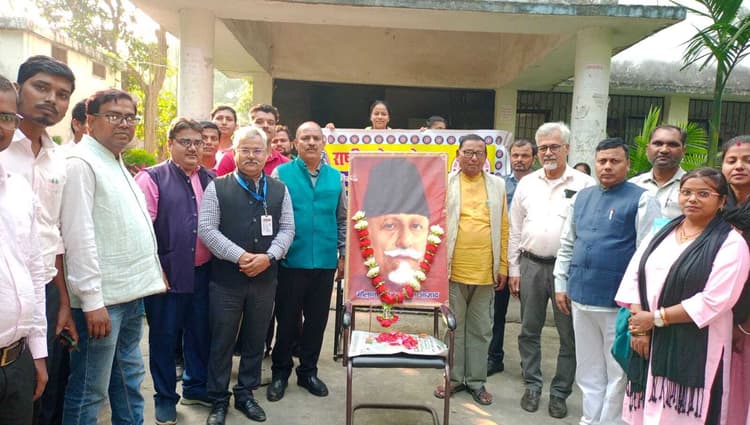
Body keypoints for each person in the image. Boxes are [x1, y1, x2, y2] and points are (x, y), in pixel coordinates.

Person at [60, 89, 167, 423]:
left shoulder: (114, 160)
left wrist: (153, 270)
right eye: (114, 116)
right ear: (90, 122)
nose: (124, 123)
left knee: (128, 378)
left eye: (130, 117)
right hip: (102, 302)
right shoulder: (81, 163)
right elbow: (78, 236)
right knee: (90, 390)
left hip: (130, 293)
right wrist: (92, 301)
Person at [615, 167, 750, 425]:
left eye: (703, 194)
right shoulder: (661, 232)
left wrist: (655, 319)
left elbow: (714, 300)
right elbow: (634, 275)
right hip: (649, 337)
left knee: (684, 415)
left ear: (722, 201)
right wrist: (640, 329)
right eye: (686, 192)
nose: (692, 199)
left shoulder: (731, 243)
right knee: (648, 410)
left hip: (698, 343)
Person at [554, 138, 659, 425]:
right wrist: (561, 284)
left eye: (615, 161)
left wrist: (637, 303)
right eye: (602, 161)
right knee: (588, 367)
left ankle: (610, 421)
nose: (607, 166)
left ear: (627, 164)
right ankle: (590, 418)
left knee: (616, 370)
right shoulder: (581, 198)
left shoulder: (642, 199)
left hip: (618, 302)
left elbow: (646, 255)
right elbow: (567, 243)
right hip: (580, 295)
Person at [198, 126, 294, 425]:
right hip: (226, 280)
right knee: (222, 339)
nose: (251, 156)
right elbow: (207, 230)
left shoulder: (279, 189)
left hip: (265, 278)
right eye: (245, 150)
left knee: (256, 338)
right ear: (234, 152)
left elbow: (287, 229)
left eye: (257, 150)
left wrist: (269, 257)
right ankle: (218, 399)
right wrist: (240, 256)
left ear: (267, 154)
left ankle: (245, 393)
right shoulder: (217, 187)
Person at [0, 55, 77, 425]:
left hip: (40, 293)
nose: (52, 99)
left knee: (40, 392)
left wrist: (63, 300)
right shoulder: (4, 148)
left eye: (62, 95)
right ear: (18, 89)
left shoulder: (57, 159)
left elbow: (50, 236)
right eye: (42, 87)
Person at [508, 121, 595, 418]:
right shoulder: (527, 183)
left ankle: (559, 393)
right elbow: (515, 229)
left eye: (554, 147)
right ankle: (532, 385)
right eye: (543, 147)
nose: (548, 152)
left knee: (568, 335)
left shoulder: (584, 184)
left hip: (567, 271)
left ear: (567, 148)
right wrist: (514, 269)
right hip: (531, 265)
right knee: (528, 330)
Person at [135, 118, 215, 424]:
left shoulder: (210, 179)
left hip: (204, 272)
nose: (193, 148)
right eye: (185, 142)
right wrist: (156, 270)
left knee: (200, 333)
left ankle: (195, 387)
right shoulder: (152, 178)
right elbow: (143, 232)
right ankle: (165, 397)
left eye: (198, 142)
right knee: (164, 338)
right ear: (170, 144)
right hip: (166, 275)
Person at [267, 121, 345, 402]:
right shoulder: (281, 173)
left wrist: (343, 254)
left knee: (317, 321)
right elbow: (271, 215)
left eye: (316, 138)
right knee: (287, 320)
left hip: (324, 261)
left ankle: (308, 372)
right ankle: (280, 373)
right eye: (305, 138)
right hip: (291, 260)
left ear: (323, 142)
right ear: (295, 143)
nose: (311, 142)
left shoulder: (336, 178)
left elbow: (342, 219)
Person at [433, 133, 508, 406]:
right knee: (454, 327)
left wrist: (503, 266)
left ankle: (476, 382)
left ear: (486, 157)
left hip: (486, 272)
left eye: (479, 153)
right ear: (458, 155)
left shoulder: (497, 185)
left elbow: (504, 227)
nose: (473, 158)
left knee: (481, 329)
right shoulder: (446, 183)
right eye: (468, 152)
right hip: (453, 270)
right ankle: (453, 378)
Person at [0, 73, 48, 425]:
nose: (1, 126)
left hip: (17, 363)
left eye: (6, 117)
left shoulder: (18, 191)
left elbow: (33, 270)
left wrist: (38, 352)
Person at [487, 138, 536, 377]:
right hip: (502, 256)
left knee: (530, 317)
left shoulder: (539, 185)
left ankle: (529, 366)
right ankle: (494, 357)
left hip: (530, 257)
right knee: (496, 312)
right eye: (515, 155)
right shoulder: (500, 185)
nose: (519, 160)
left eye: (524, 156)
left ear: (533, 158)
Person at [361, 158, 431, 292]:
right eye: (390, 226)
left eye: (416, 226)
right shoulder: (356, 291)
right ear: (367, 231)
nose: (404, 242)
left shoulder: (437, 292)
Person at [721, 135, 750, 425]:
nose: (739, 166)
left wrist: (745, 323)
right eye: (732, 160)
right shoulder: (713, 205)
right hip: (715, 312)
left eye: (747, 160)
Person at [629, 125, 686, 219]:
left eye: (672, 144)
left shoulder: (695, 187)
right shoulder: (632, 185)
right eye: (658, 144)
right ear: (647, 149)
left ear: (684, 150)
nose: (664, 150)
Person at [215, 104, 289, 177]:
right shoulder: (230, 158)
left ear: (275, 128)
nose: (265, 125)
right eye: (259, 122)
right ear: (250, 125)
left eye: (270, 123)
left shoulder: (285, 163)